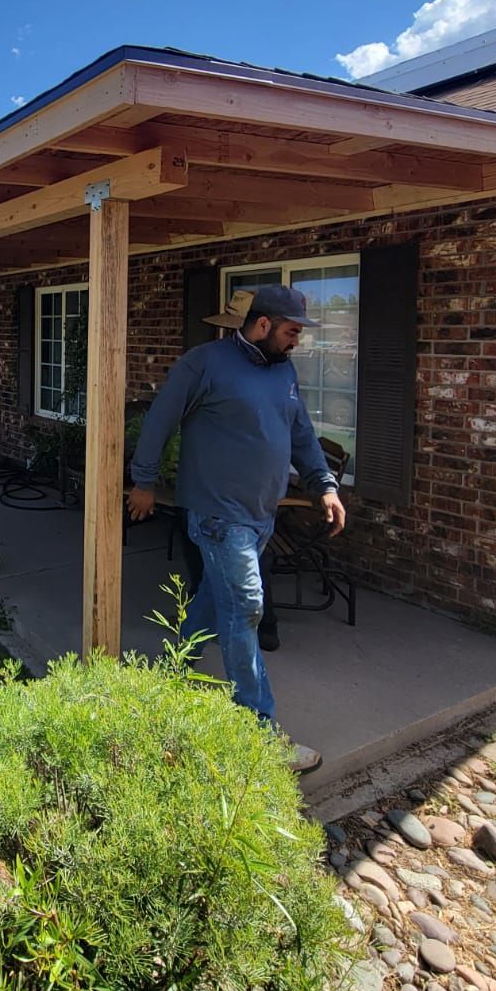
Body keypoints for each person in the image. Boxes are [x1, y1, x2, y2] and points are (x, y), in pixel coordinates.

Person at [126, 285, 346, 774]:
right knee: (246, 606)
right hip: (216, 513)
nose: (297, 342)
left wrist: (323, 484)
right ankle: (260, 730)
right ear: (263, 324)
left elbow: (300, 433)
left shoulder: (282, 370)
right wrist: (142, 481)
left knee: (213, 600)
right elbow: (160, 420)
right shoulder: (203, 363)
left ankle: (169, 679)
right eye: (291, 332)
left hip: (261, 513)